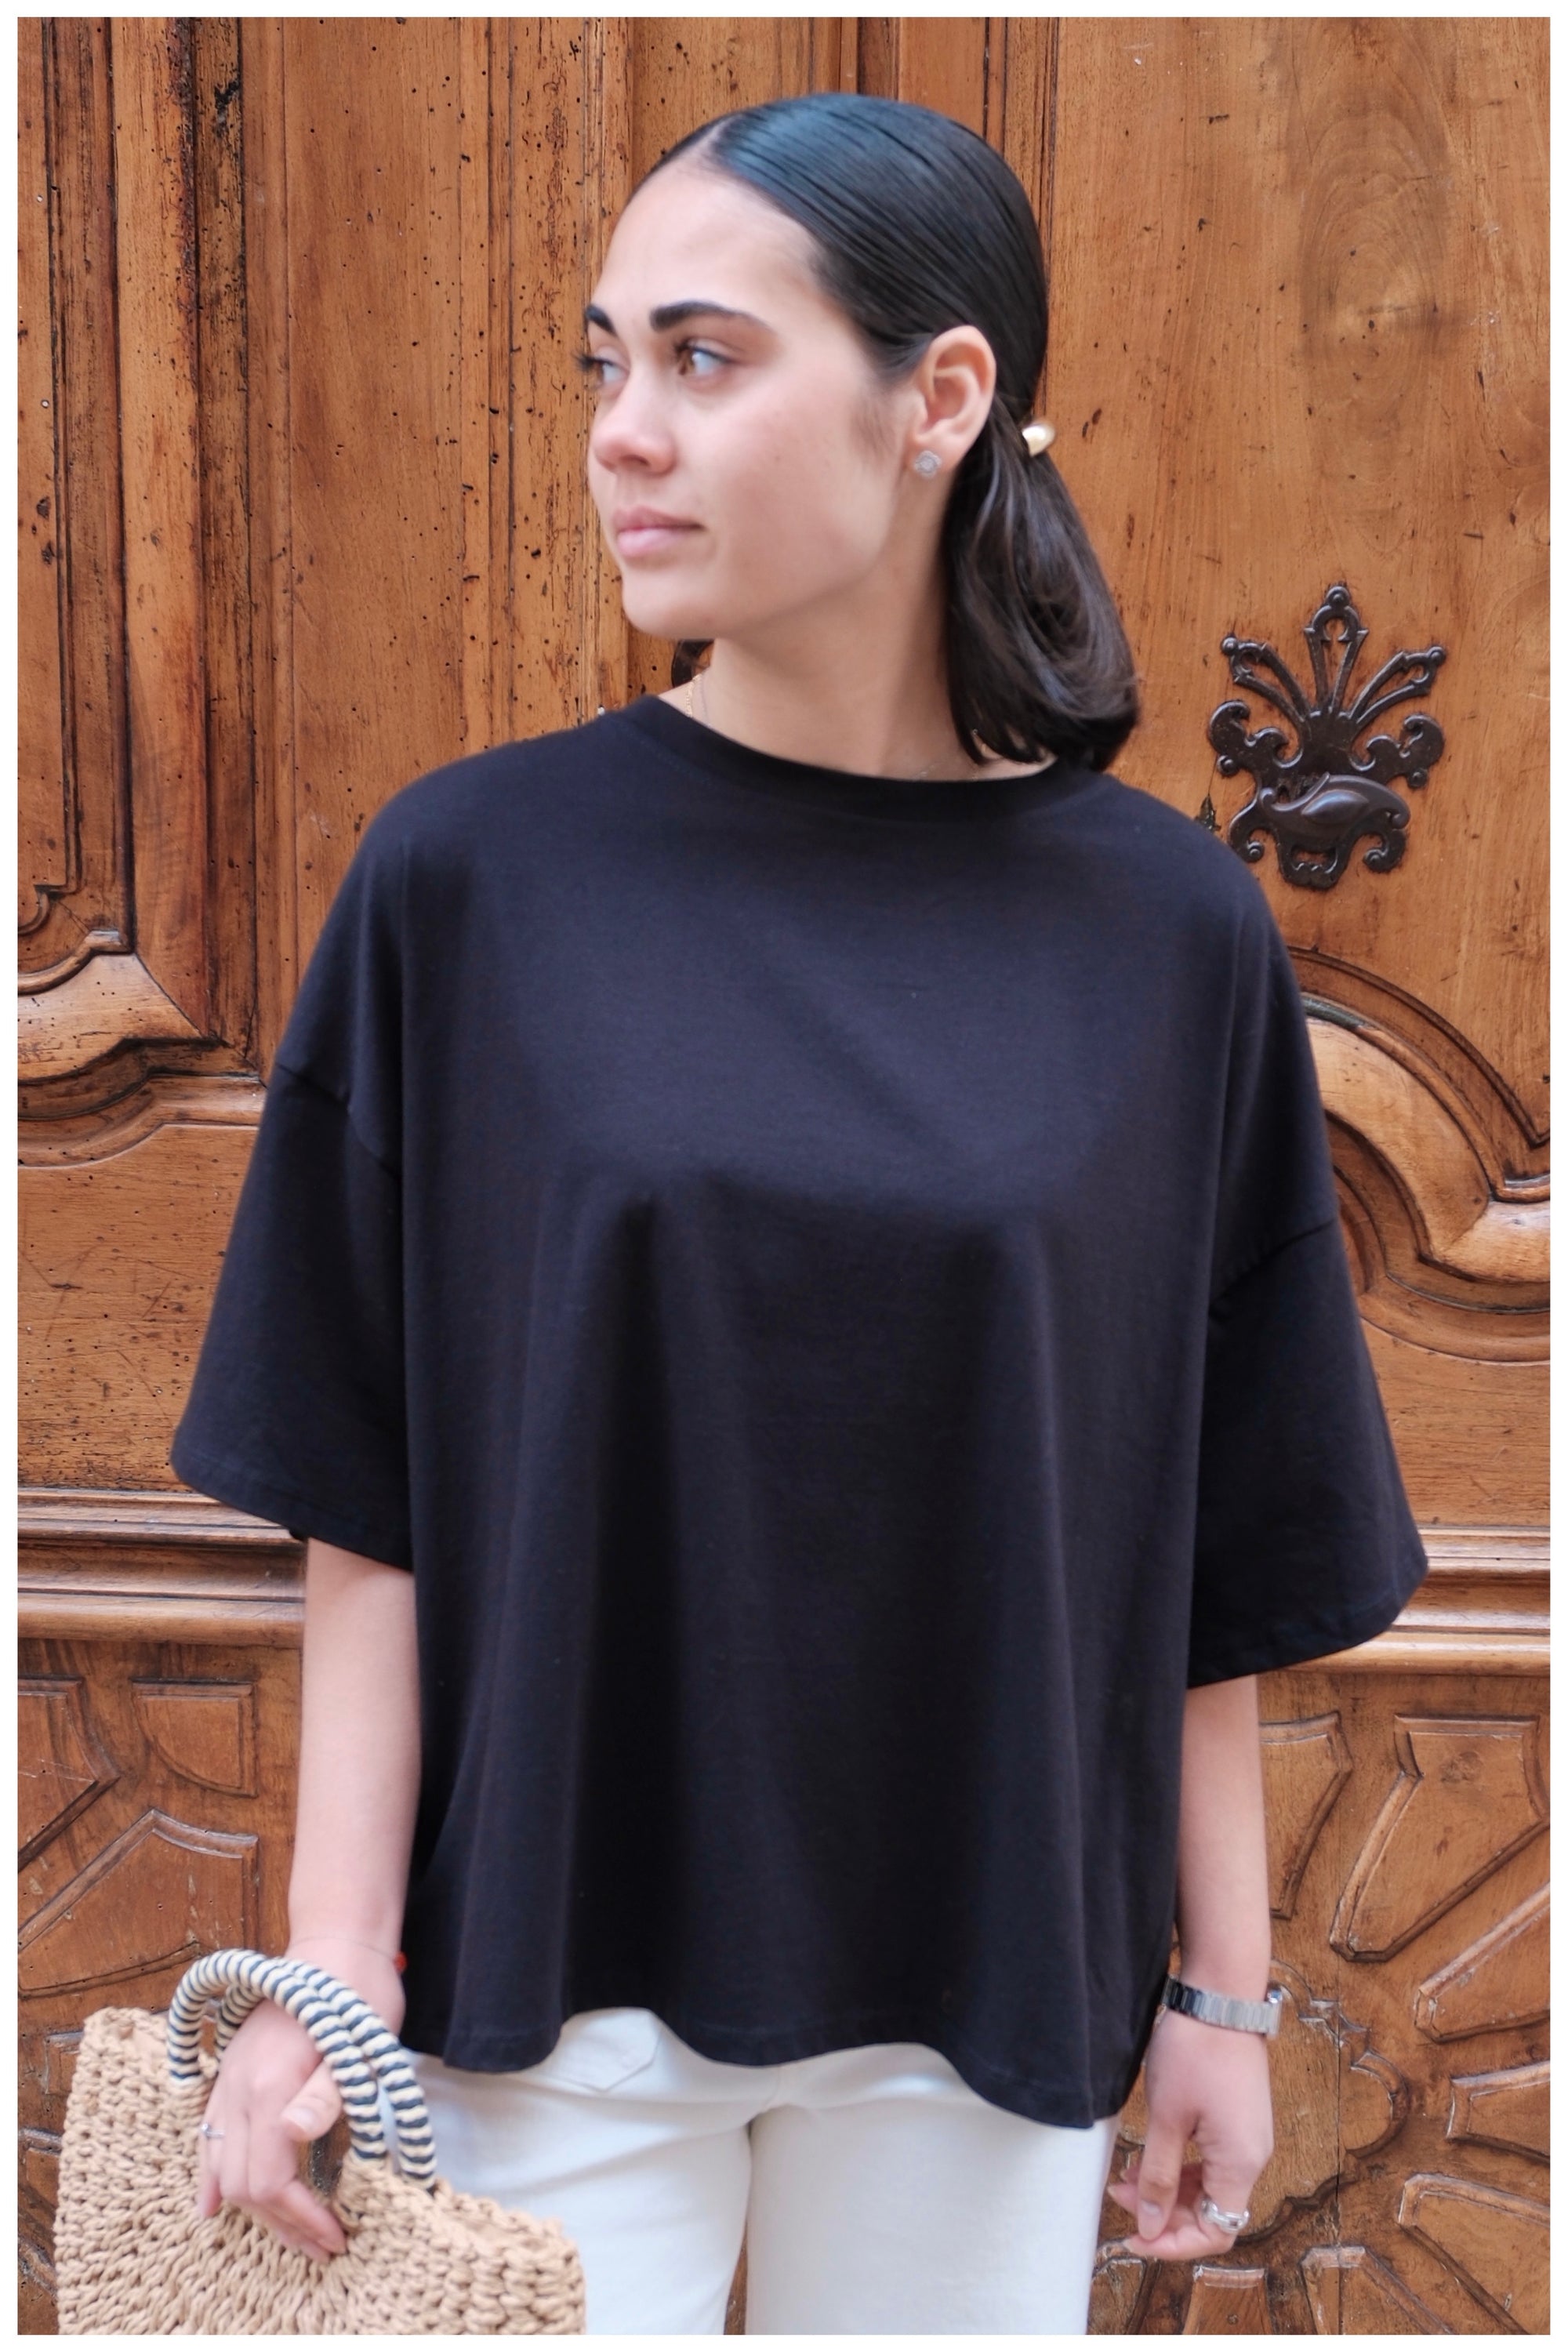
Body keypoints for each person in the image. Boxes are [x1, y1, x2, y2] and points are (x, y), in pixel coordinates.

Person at [169, 92, 1429, 2334]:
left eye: (704, 357)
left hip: (990, 1995)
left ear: (941, 399)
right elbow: (363, 1485)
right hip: (543, 1982)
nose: (621, 432)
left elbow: (1213, 1519)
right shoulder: (473, 881)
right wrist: (331, 1967)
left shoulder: (1166, 932)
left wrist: (1223, 1996)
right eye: (605, 361)